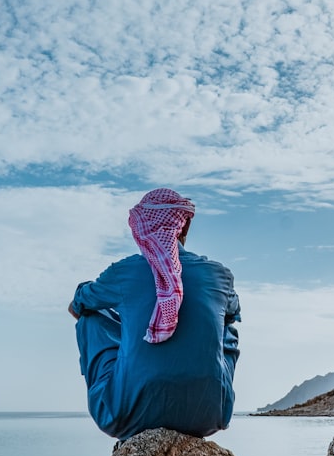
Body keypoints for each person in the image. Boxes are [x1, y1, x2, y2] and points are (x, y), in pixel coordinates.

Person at [69, 188, 241, 440]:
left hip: (129, 414)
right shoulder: (219, 274)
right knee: (227, 325)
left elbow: (77, 305)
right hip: (209, 414)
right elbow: (232, 313)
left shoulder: (123, 272)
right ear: (185, 226)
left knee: (90, 317)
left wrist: (123, 326)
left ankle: (127, 382)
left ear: (139, 230)